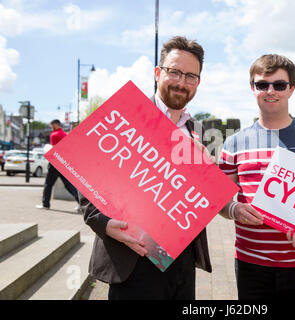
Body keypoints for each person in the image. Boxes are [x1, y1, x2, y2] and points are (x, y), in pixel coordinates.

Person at [79, 36, 212, 300]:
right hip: (132, 258)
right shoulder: (126, 116)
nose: (181, 82)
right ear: (157, 73)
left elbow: (199, 198)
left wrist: (208, 174)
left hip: (181, 263)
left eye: (190, 76)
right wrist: (103, 223)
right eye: (174, 72)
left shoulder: (197, 131)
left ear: (198, 82)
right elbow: (85, 183)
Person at [218, 54, 295, 300]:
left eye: (279, 85)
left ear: (292, 89)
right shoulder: (234, 143)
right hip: (251, 265)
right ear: (253, 88)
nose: (270, 91)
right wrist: (234, 210)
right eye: (262, 84)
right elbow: (218, 200)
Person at [36, 119, 79, 210]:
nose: (51, 128)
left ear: (55, 125)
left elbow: (55, 150)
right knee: (68, 185)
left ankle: (45, 204)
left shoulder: (54, 135)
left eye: (51, 126)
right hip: (63, 163)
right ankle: (81, 204)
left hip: (55, 163)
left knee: (48, 184)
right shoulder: (64, 134)